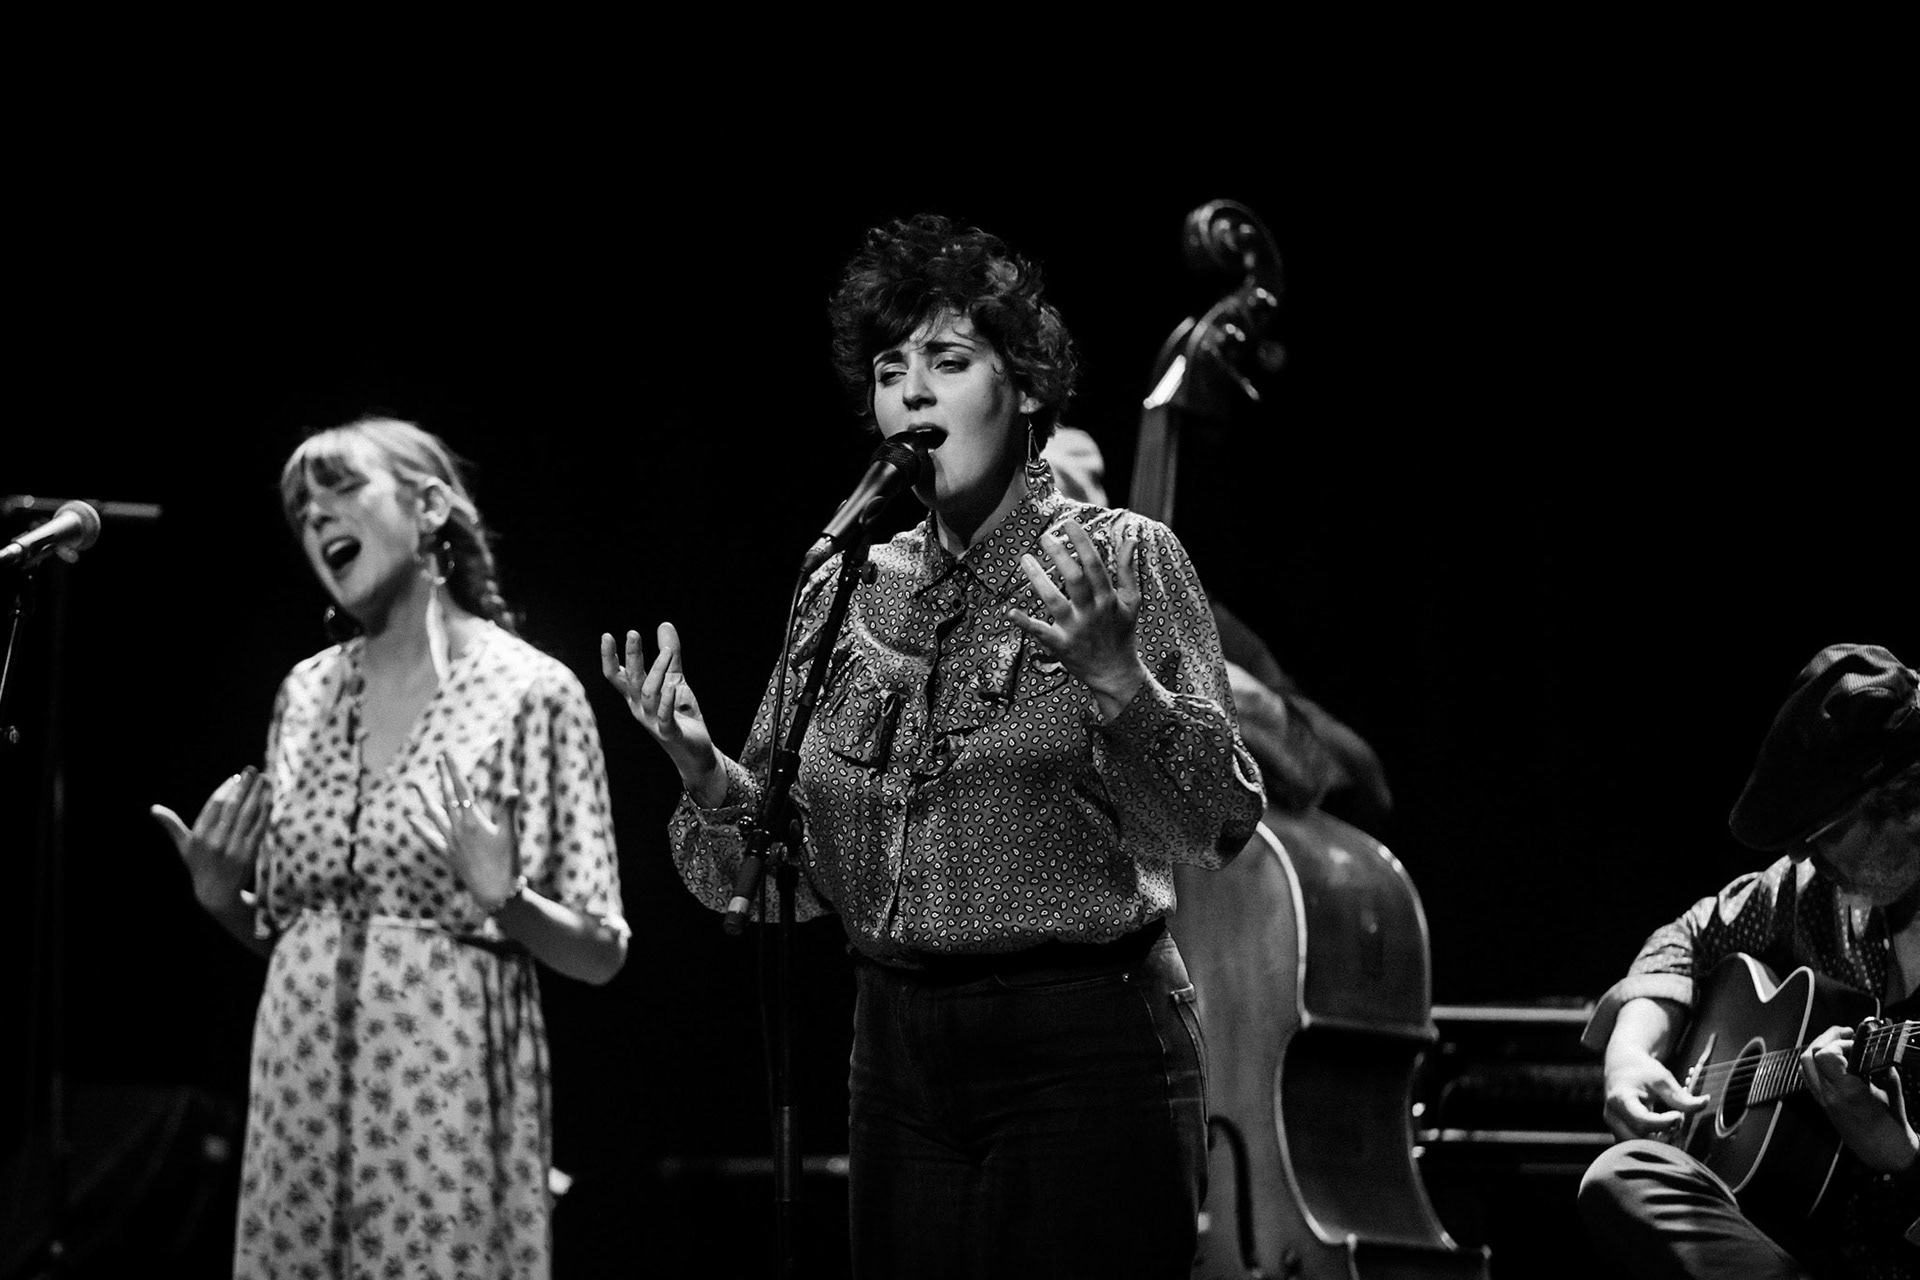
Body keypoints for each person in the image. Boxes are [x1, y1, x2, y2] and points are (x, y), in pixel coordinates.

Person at [602, 213, 1266, 1278]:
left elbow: (1216, 822)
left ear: (1030, 387)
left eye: (948, 362)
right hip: (896, 1054)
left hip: (1083, 1047)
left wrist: (1120, 682)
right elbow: (787, 876)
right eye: (889, 369)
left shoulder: (1123, 560)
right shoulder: (847, 584)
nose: (912, 390)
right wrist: (706, 770)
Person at [153, 417, 628, 1278]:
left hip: (440, 1108)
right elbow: (312, 935)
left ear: (432, 507)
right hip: (299, 1101)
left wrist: (507, 899)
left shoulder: (530, 692)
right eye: (302, 508)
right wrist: (226, 902)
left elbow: (602, 952)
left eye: (342, 490)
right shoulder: (303, 693)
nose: (316, 517)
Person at [1577, 642, 1920, 1278]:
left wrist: (1899, 1156)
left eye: (1828, 834)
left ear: (1907, 802)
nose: (1809, 861)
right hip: (1790, 1242)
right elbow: (1687, 938)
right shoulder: (1810, 895)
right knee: (1622, 1176)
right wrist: (1630, 1054)